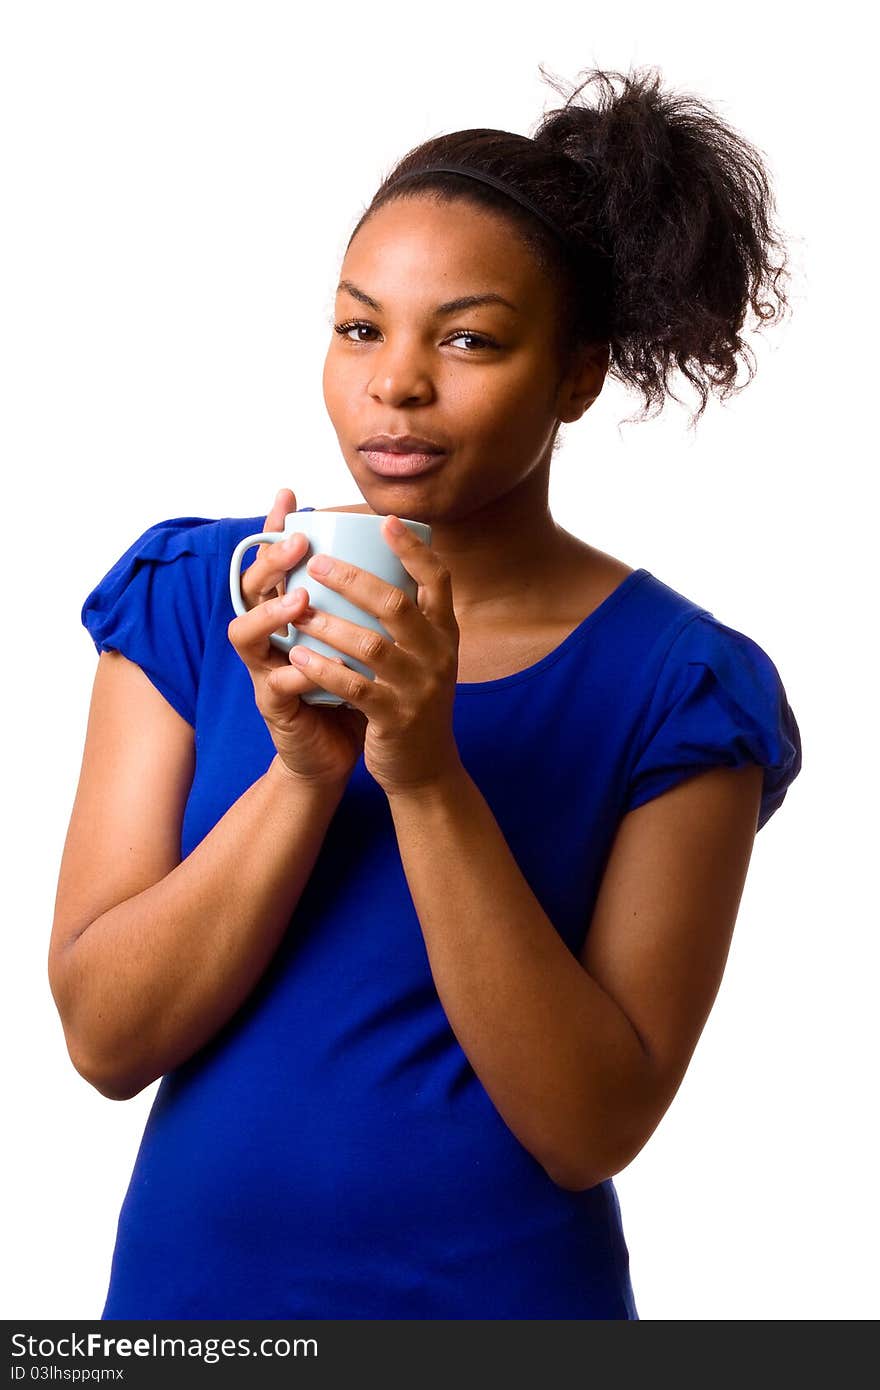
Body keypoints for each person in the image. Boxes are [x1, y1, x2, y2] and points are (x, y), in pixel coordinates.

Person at [49, 65, 803, 1319]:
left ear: (575, 378)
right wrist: (303, 769)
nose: (395, 383)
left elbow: (590, 1126)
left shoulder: (681, 687)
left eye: (467, 339)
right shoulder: (196, 596)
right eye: (360, 328)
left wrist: (426, 769)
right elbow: (105, 1042)